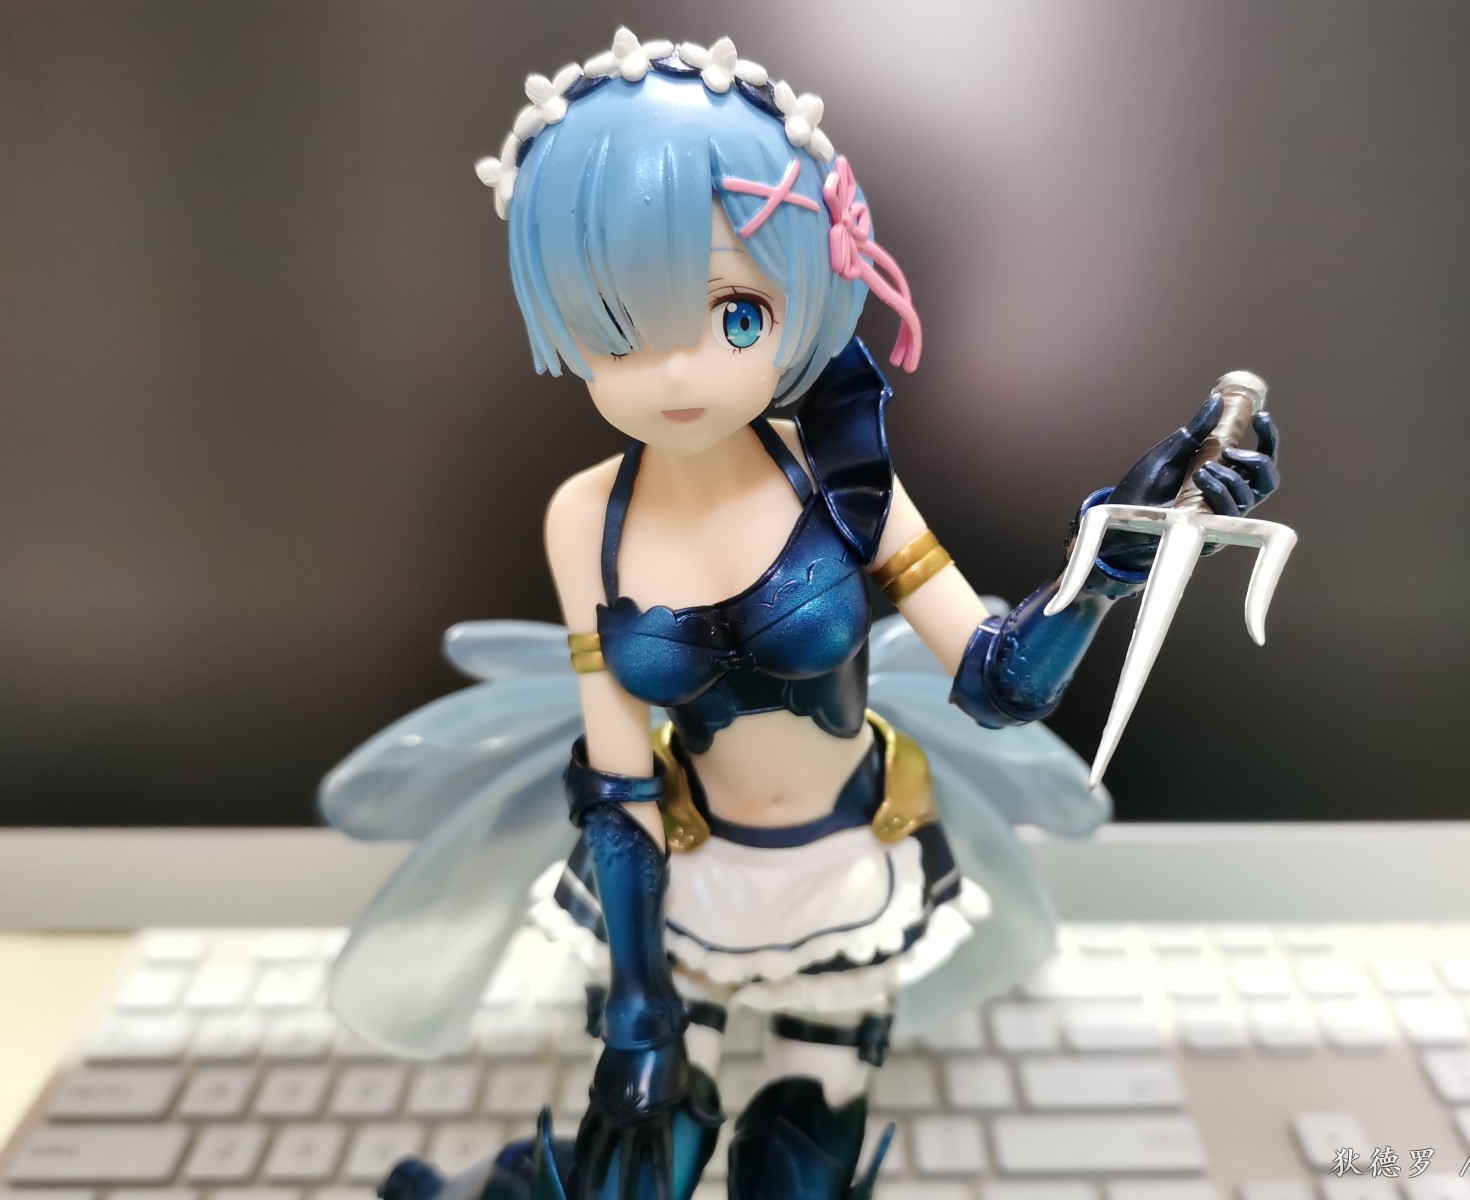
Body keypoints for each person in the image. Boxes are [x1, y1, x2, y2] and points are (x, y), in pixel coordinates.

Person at [320, 28, 1281, 1200]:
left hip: (845, 875)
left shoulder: (844, 479)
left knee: (796, 1175)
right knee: (641, 1171)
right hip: (684, 885)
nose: (678, 374)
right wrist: (637, 1010)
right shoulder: (586, 518)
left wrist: (1112, 555)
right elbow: (617, 782)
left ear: (803, 288)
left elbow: (999, 684)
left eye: (734, 314)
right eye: (618, 325)